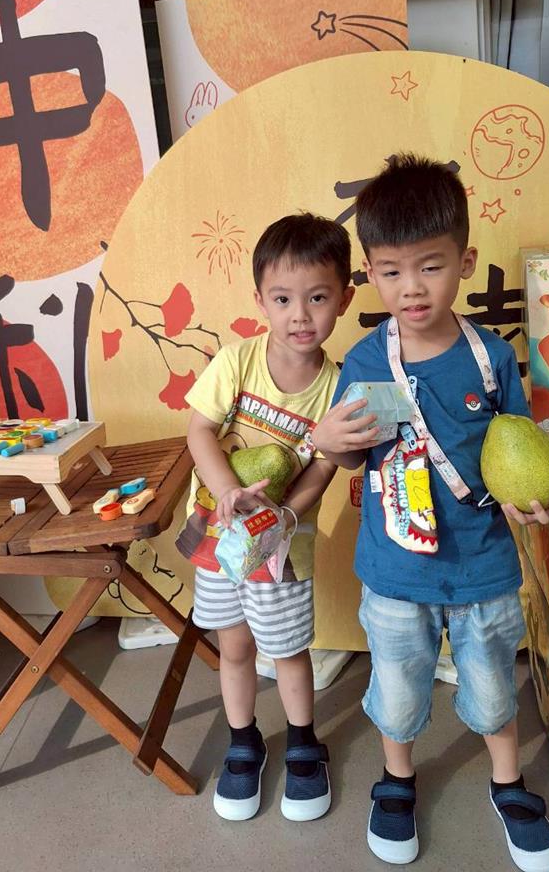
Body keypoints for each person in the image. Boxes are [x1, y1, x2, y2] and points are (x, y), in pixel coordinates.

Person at [312, 154, 549, 870]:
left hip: (484, 567)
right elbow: (359, 460)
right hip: (396, 571)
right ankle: (396, 780)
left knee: (492, 686)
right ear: (369, 274)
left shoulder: (490, 358)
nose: (412, 287)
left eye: (430, 267)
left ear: (465, 262)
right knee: (397, 689)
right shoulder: (368, 364)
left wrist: (540, 501)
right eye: (391, 271)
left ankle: (507, 783)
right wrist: (328, 443)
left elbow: (516, 454)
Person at [177, 212, 354, 823]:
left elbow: (322, 470)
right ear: (260, 301)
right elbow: (199, 431)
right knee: (233, 646)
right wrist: (226, 491)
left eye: (317, 298)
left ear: (343, 300)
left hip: (281, 550)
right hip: (217, 539)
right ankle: (243, 740)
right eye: (282, 299)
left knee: (287, 649)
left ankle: (304, 742)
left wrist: (281, 515)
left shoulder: (338, 388)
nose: (299, 315)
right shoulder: (236, 362)